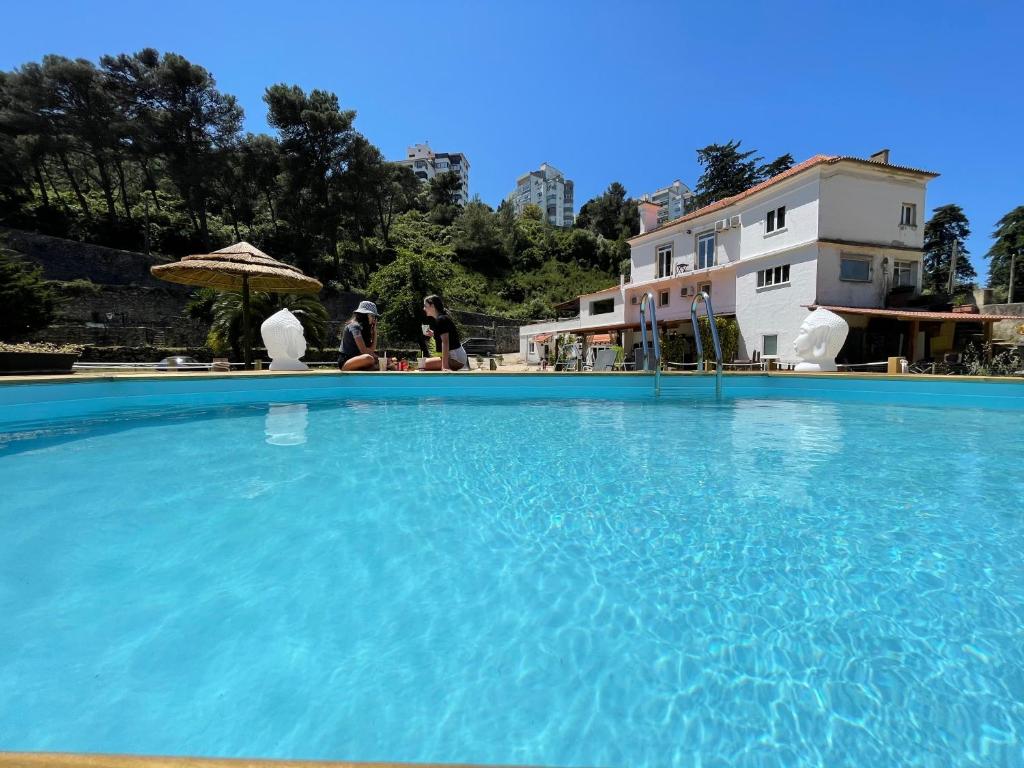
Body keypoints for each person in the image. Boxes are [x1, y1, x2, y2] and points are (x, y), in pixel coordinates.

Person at [421, 295, 467, 371]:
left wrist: (445, 366)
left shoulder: (441, 319)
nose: (424, 309)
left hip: (456, 359)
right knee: (423, 364)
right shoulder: (441, 318)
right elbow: (446, 337)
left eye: (425, 306)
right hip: (457, 357)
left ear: (432, 306)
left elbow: (445, 342)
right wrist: (433, 334)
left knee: (422, 365)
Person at [338, 300, 381, 371]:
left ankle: (378, 367)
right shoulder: (354, 326)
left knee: (376, 361)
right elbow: (364, 351)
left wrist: (374, 331)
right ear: (364, 315)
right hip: (346, 362)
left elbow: (371, 350)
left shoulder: (363, 329)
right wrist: (379, 359)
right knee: (369, 358)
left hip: (358, 360)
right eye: (372, 316)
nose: (374, 319)